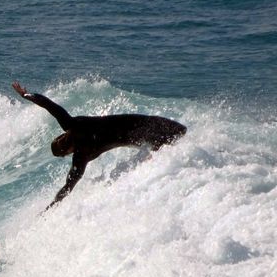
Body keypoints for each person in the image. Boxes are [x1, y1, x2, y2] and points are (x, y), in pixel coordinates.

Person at [12, 81, 187, 208]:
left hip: (140, 139)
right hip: (144, 124)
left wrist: (51, 207)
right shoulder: (71, 125)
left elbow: (67, 187)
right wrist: (25, 95)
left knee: (174, 145)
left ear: (67, 152)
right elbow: (50, 105)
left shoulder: (81, 156)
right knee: (180, 133)